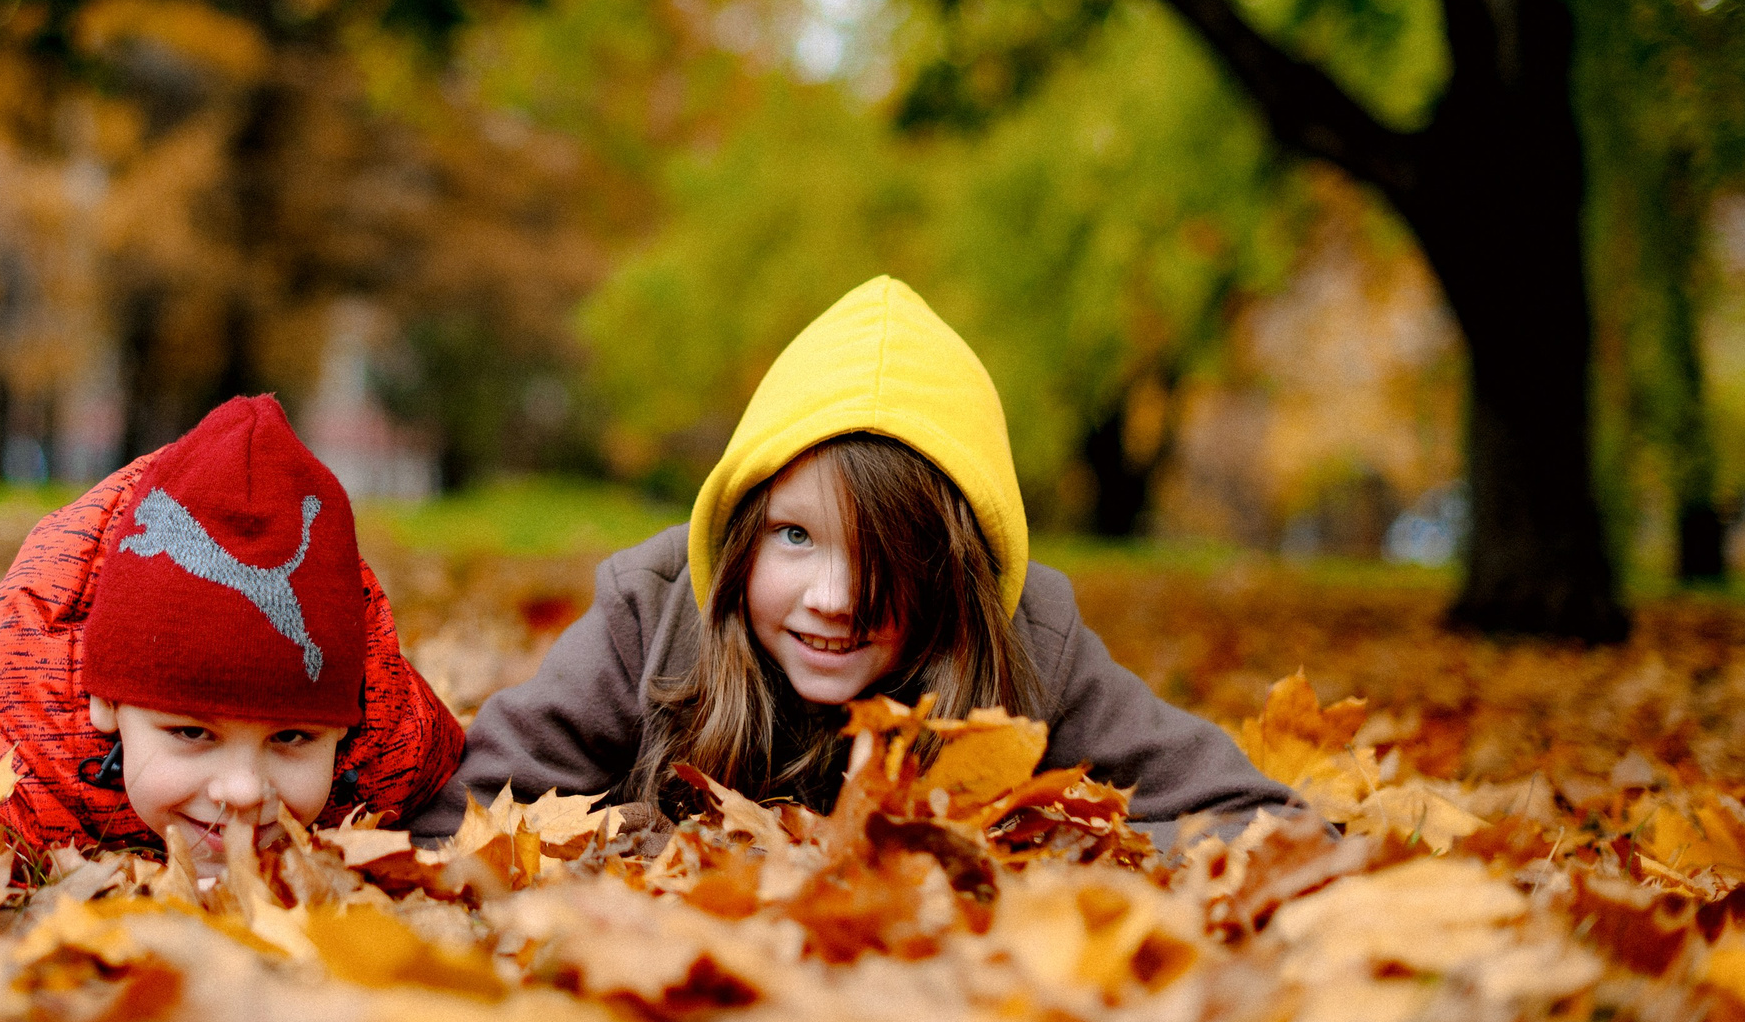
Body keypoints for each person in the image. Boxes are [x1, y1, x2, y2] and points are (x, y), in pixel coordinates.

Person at [409, 277, 1293, 847]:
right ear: (742, 529)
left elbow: (1267, 822)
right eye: (795, 535)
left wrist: (1028, 851)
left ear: (955, 571)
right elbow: (463, 821)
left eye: (888, 554)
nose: (834, 598)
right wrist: (651, 845)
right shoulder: (651, 612)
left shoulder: (1032, 642)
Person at [0, 394, 464, 862]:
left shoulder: (387, 748)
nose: (243, 791)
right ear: (107, 702)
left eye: (291, 737)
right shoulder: (5, 765)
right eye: (192, 732)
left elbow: (454, 763)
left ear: (345, 725)